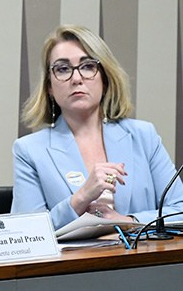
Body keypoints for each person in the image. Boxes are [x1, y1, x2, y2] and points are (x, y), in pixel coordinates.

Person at [11, 25, 183, 229]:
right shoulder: (29, 150)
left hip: (143, 259)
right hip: (75, 261)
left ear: (105, 78)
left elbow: (179, 210)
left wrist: (128, 221)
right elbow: (26, 231)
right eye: (63, 69)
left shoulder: (144, 136)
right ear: (49, 87)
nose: (76, 79)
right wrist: (81, 198)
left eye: (87, 66)